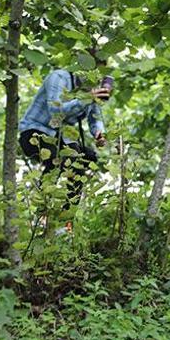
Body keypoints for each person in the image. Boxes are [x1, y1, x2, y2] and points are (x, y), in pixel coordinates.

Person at [19, 56, 110, 232]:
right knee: (56, 158)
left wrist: (99, 133)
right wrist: (86, 98)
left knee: (82, 161)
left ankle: (66, 224)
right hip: (34, 131)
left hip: (61, 137)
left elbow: (95, 118)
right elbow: (56, 110)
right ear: (83, 68)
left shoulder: (90, 90)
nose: (97, 79)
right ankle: (41, 216)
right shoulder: (59, 78)